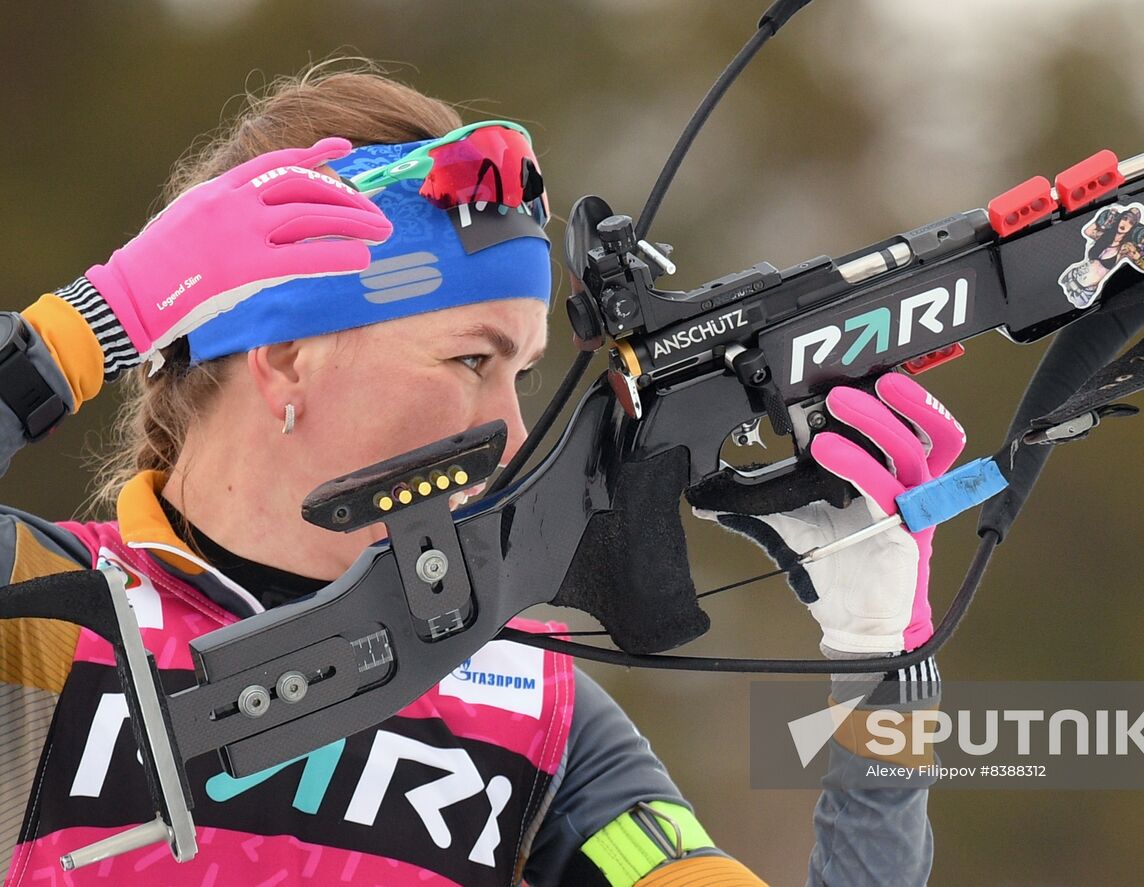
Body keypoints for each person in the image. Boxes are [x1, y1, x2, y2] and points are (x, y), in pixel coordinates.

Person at [0, 65, 959, 886]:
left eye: (522, 372)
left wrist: (881, 668)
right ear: (288, 351)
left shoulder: (522, 697)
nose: (508, 427)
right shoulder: (41, 619)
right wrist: (88, 324)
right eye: (471, 361)